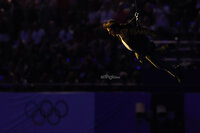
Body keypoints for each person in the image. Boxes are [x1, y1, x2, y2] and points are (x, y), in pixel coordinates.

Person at [103, 18, 182, 83]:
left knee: (158, 64)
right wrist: (137, 53)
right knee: (158, 59)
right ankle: (168, 50)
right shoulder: (119, 34)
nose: (110, 33)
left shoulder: (126, 31)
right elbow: (132, 44)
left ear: (114, 28)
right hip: (141, 50)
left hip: (145, 48)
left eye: (110, 31)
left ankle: (176, 71)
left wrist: (154, 35)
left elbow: (141, 31)